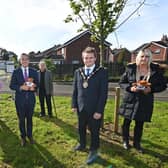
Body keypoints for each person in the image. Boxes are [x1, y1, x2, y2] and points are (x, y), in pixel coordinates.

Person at [119, 48, 167, 153]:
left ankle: (137, 144)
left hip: (145, 101)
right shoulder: (131, 68)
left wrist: (151, 89)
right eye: (142, 56)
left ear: (150, 58)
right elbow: (122, 82)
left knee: (139, 123)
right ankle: (125, 141)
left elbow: (163, 86)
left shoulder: (155, 70)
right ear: (138, 57)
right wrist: (130, 88)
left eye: (147, 56)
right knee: (126, 122)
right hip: (130, 100)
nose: (144, 59)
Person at [71, 47, 108, 164]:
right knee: (81, 128)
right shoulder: (78, 72)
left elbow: (103, 94)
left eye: (91, 57)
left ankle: (94, 149)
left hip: (94, 109)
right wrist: (74, 105)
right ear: (83, 59)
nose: (88, 60)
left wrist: (99, 110)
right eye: (86, 58)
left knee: (94, 130)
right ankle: (82, 144)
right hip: (81, 107)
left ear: (95, 58)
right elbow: (75, 90)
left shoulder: (102, 72)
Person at [9, 53, 39, 147]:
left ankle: (30, 136)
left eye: (26, 59)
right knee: (21, 119)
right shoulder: (16, 72)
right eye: (22, 59)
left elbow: (38, 84)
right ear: (20, 61)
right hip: (20, 100)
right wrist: (21, 87)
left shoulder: (34, 71)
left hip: (30, 100)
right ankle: (23, 137)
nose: (24, 61)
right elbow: (11, 85)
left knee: (29, 119)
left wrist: (35, 86)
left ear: (29, 61)